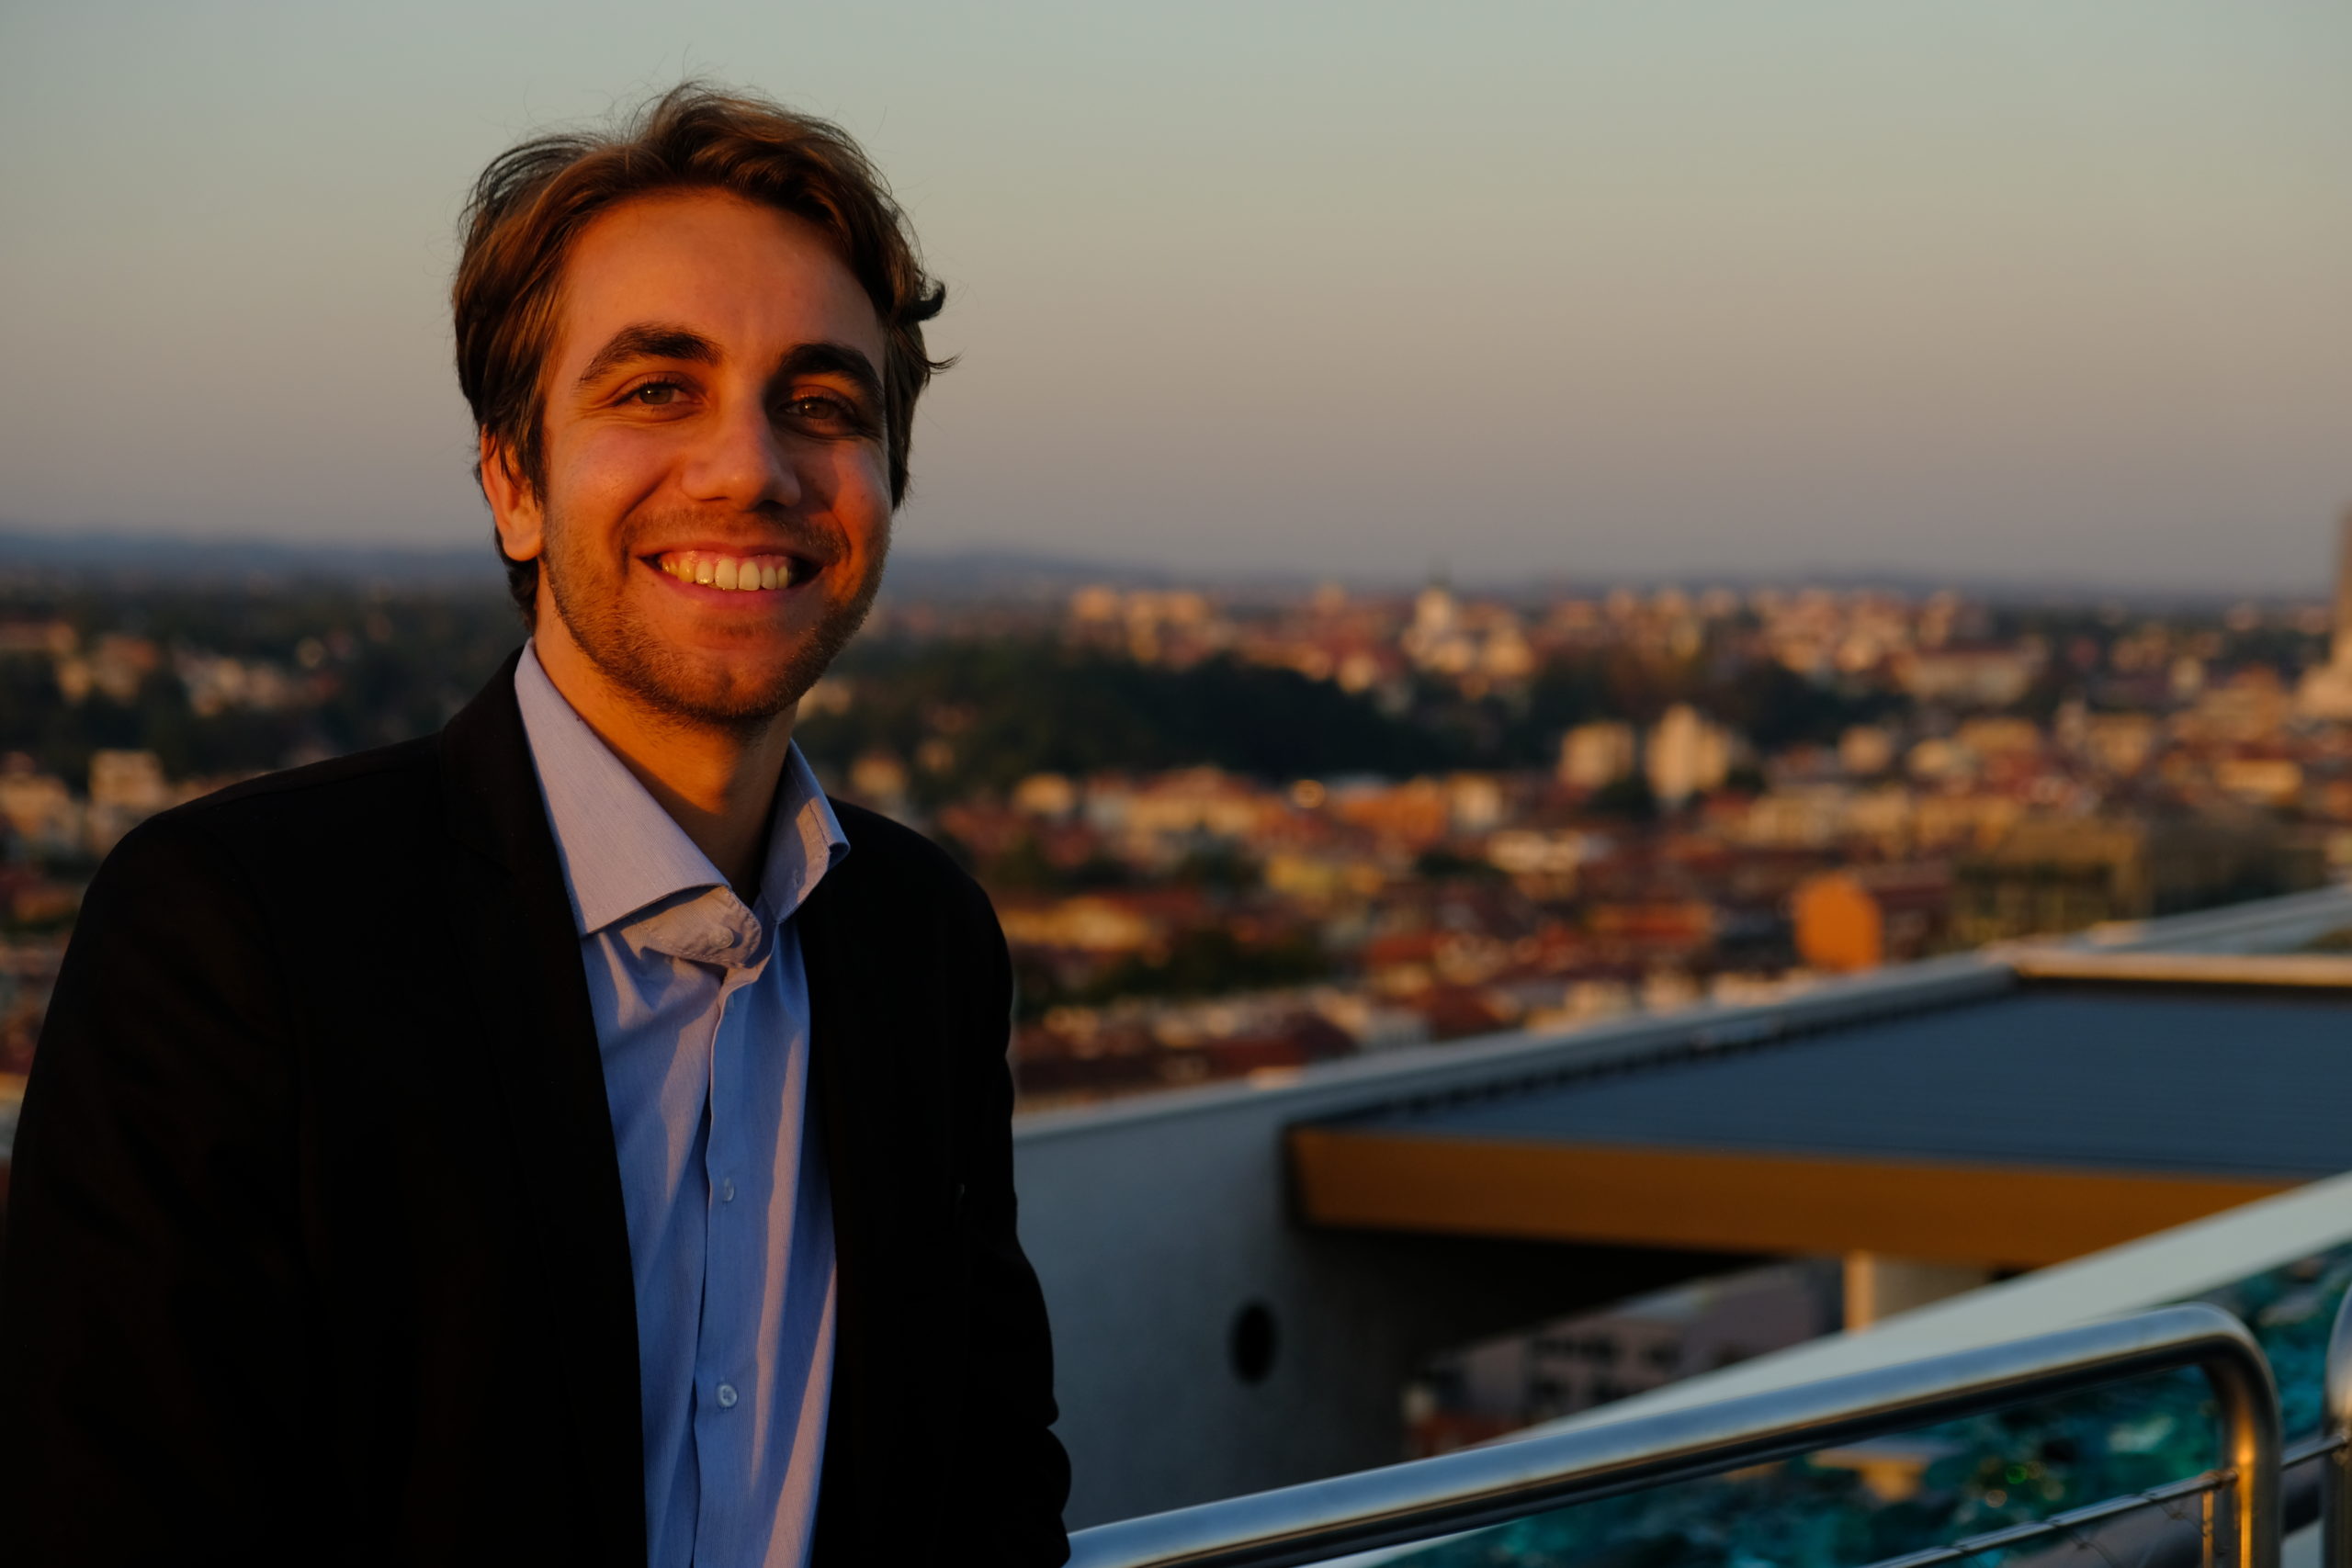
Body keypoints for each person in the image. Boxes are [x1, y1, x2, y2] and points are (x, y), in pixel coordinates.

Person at [0, 84, 1070, 1567]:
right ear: (513, 480)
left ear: (885, 485)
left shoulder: (923, 942)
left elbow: (989, 1493)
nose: (750, 470)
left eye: (824, 405)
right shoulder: (238, 936)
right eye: (657, 391)